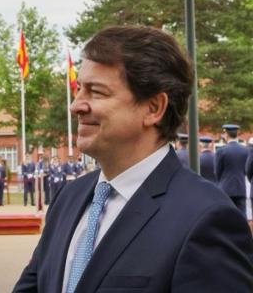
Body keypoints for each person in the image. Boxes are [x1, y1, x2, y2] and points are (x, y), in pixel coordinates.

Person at [13, 26, 253, 292]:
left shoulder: (205, 217)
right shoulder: (69, 197)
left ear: (153, 109)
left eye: (97, 92)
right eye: (79, 89)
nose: (76, 105)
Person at [215, 124, 249, 217]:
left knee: (226, 216)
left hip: (225, 187)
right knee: (242, 215)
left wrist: (221, 182)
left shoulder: (221, 151)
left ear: (226, 135)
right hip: (241, 187)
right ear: (237, 134)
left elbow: (217, 172)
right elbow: (246, 170)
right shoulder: (245, 150)